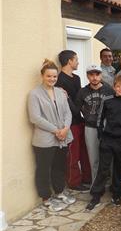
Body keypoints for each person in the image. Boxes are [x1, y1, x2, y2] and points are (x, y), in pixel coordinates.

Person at [28, 59, 76, 212]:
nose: (52, 79)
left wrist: (65, 128)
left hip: (62, 137)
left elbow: (68, 112)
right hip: (45, 140)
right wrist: (57, 130)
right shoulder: (34, 94)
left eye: (54, 76)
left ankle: (59, 192)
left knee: (59, 167)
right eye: (49, 76)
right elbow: (35, 118)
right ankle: (46, 198)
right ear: (42, 76)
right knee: (43, 169)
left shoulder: (60, 92)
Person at [86, 75, 121, 210]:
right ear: (114, 87)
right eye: (118, 86)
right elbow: (100, 119)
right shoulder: (107, 100)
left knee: (118, 168)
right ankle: (96, 194)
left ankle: (116, 193)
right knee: (103, 168)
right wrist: (101, 136)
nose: (120, 89)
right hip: (108, 139)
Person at [55, 50, 91, 191]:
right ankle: (74, 182)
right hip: (69, 123)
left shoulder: (76, 78)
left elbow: (79, 99)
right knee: (73, 154)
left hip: (80, 120)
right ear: (69, 61)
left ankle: (87, 178)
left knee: (84, 151)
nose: (77, 62)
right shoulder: (59, 80)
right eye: (76, 59)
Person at [75, 65, 114, 183]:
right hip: (90, 127)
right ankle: (95, 186)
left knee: (110, 157)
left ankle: (112, 186)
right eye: (91, 75)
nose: (94, 77)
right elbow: (77, 108)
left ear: (101, 75)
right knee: (93, 159)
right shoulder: (82, 91)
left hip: (107, 127)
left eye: (97, 74)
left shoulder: (109, 89)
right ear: (87, 76)